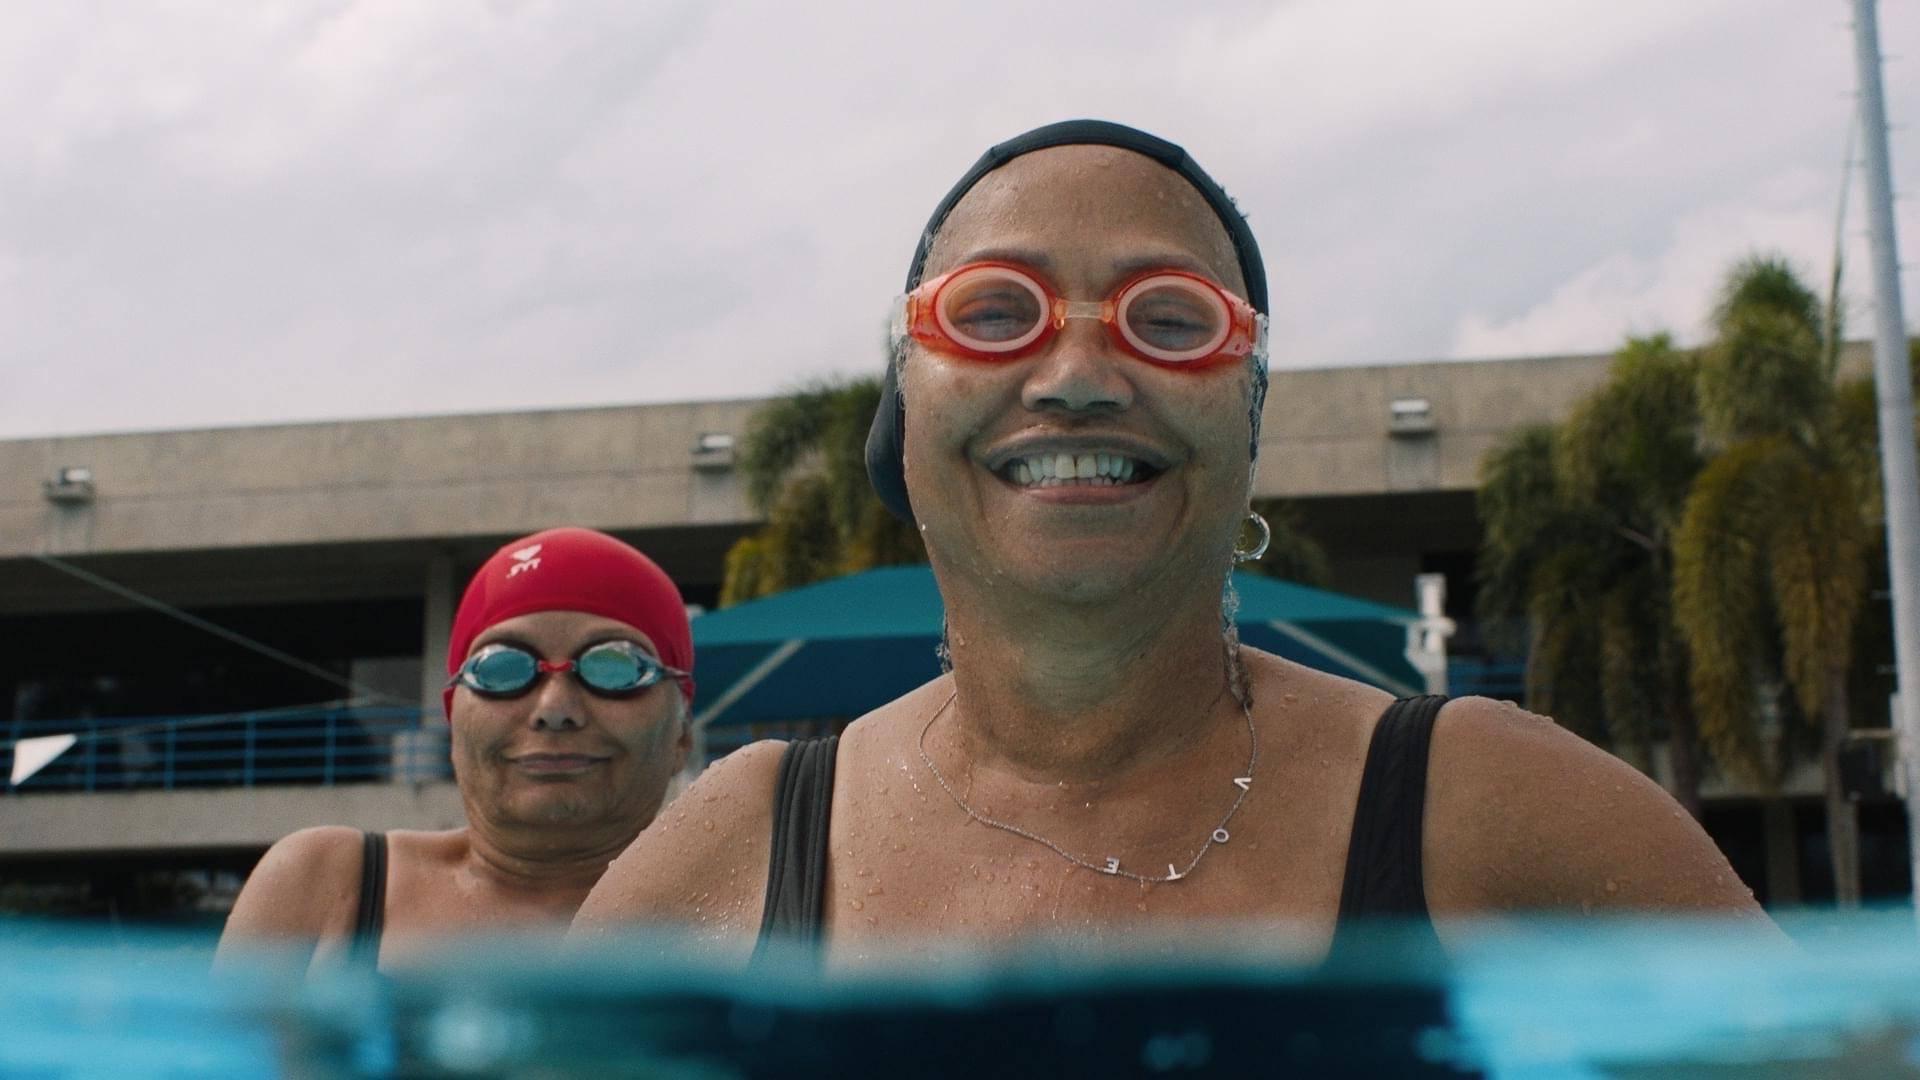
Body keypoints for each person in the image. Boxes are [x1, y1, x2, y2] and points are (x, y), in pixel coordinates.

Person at [571, 120, 1768, 967]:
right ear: (907, 406)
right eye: (995, 314)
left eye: (1169, 319)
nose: (1081, 375)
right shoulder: (733, 855)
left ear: (1248, 415)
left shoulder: (1503, 814)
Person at [217, 527, 694, 971]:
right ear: (453, 725)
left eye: (616, 667)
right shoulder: (327, 884)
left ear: (682, 736)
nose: (554, 707)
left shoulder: (743, 906)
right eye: (501, 668)